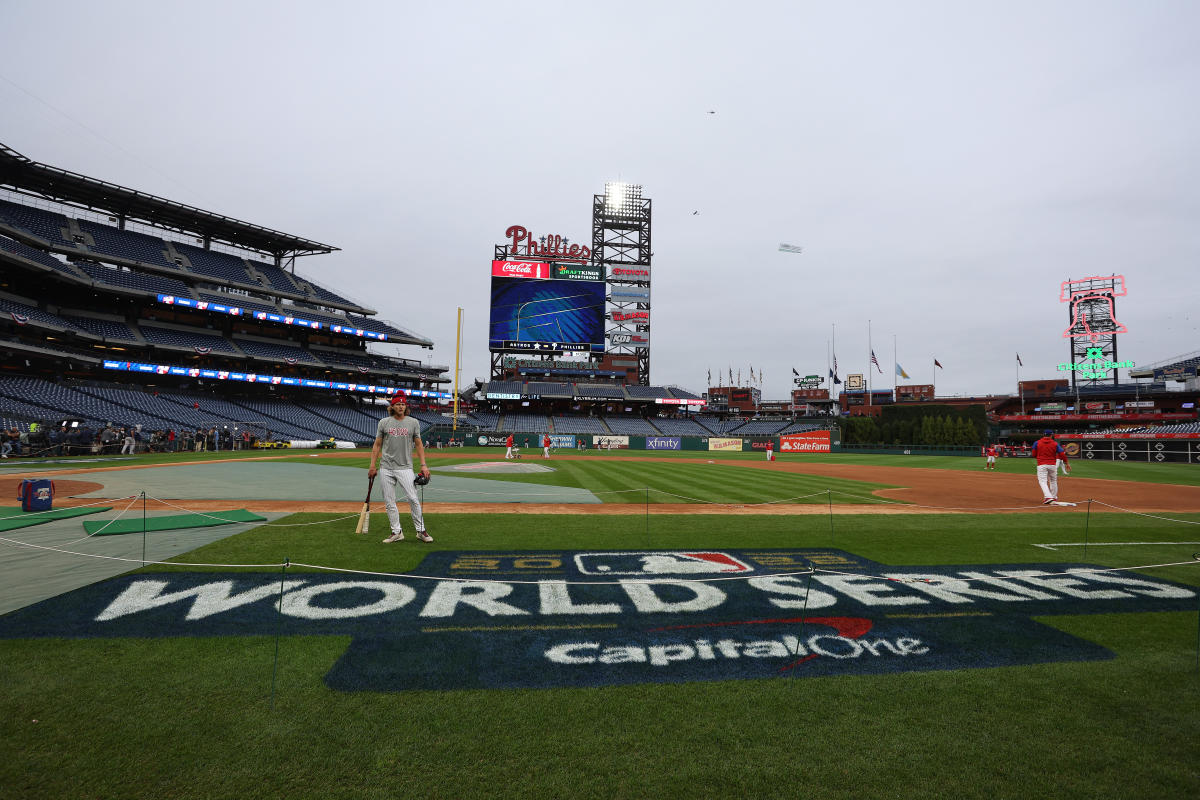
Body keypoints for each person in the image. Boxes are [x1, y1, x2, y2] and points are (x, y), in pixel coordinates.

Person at [369, 394, 432, 543]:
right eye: (398, 404)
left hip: (405, 467)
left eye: (403, 405)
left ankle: (421, 530)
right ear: (392, 407)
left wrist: (423, 465)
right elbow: (377, 444)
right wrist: (372, 465)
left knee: (413, 499)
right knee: (389, 501)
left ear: (406, 407)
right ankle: (396, 531)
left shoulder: (413, 422)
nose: (401, 407)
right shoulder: (384, 422)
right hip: (386, 467)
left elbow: (418, 444)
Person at [1031, 429, 1067, 505]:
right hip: (1052, 465)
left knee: (1043, 481)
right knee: (1053, 481)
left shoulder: (1037, 443)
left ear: (1043, 435)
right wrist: (1066, 463)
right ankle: (1053, 497)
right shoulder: (1055, 443)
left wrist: (1040, 456)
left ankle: (1048, 497)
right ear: (1051, 435)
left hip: (1042, 464)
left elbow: (1033, 454)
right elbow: (1062, 454)